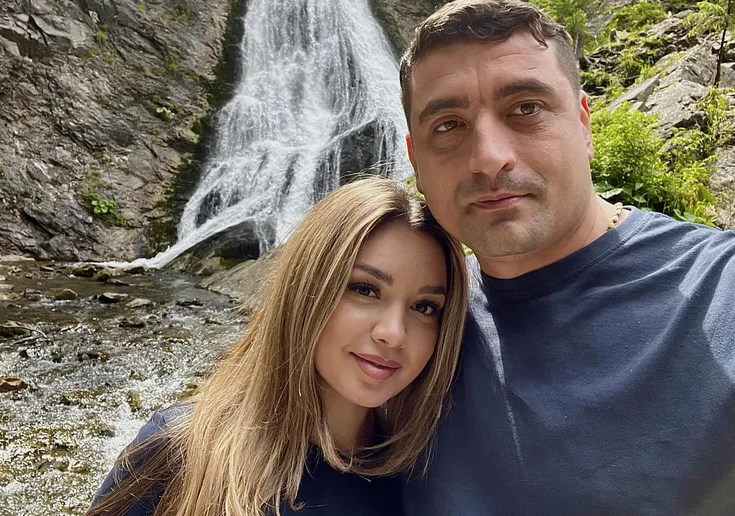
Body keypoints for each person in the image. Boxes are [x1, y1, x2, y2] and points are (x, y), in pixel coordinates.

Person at [400, 0, 735, 515]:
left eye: (526, 109)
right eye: (448, 125)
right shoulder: (405, 330)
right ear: (415, 162)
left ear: (584, 125)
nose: (489, 158)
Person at [87, 177, 468, 516]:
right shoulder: (181, 450)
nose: (394, 333)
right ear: (306, 288)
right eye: (365, 289)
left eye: (425, 307)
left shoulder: (425, 478)